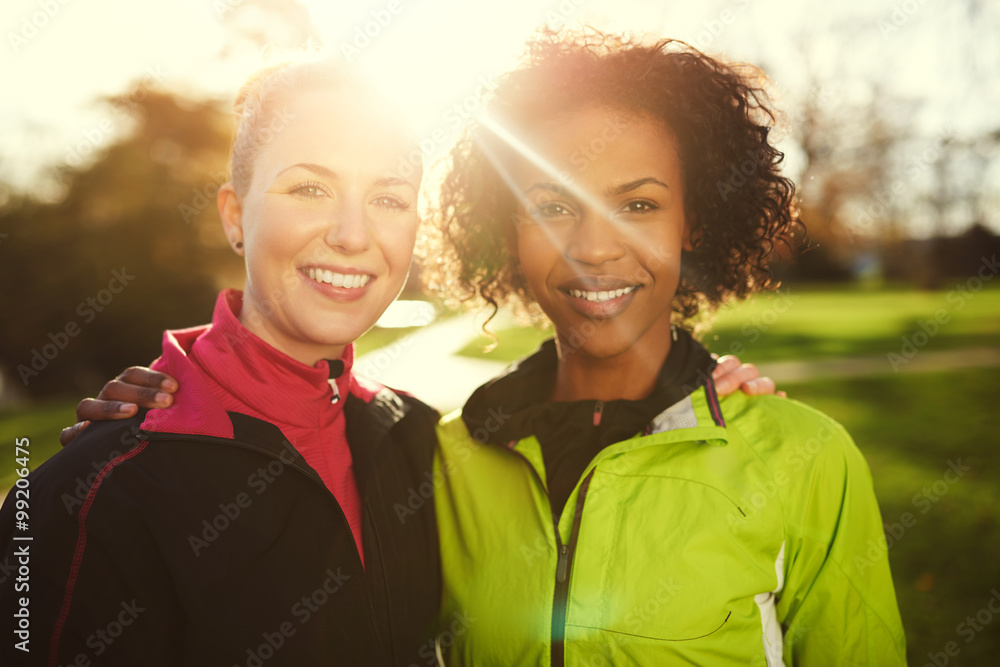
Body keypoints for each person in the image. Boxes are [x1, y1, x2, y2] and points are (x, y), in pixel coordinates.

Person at [422, 29, 906, 664]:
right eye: (553, 207)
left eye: (638, 204)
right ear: (508, 228)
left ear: (692, 223)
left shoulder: (807, 460)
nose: (595, 248)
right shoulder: (446, 461)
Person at [0, 59, 443, 666]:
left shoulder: (418, 439)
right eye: (311, 188)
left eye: (389, 198)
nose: (351, 234)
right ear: (235, 215)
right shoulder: (88, 493)